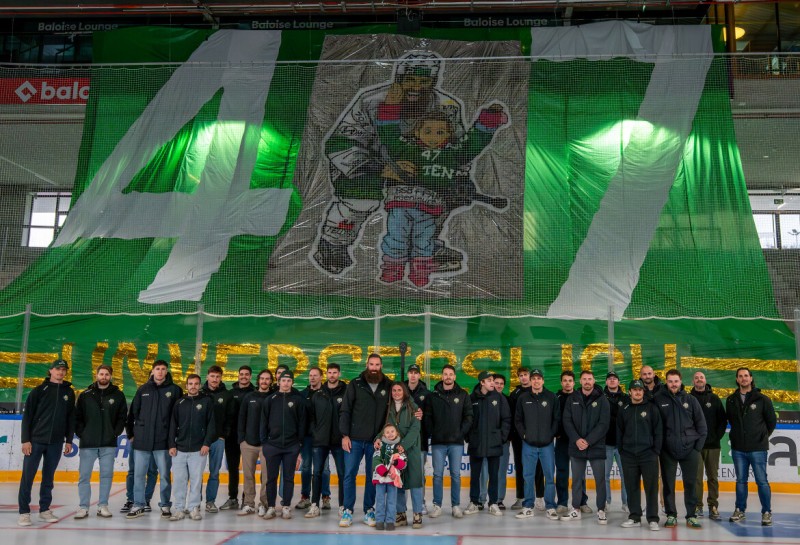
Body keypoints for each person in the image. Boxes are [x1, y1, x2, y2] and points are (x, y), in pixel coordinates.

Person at [315, 50, 465, 275]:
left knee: (439, 195)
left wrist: (458, 176)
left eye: (424, 81)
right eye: (410, 80)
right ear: (399, 79)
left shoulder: (446, 106)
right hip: (370, 165)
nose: (416, 87)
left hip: (418, 168)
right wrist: (380, 169)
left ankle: (424, 248)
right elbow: (341, 143)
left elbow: (457, 147)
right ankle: (333, 244)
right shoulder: (370, 102)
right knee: (360, 197)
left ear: (433, 82)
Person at [375, 97, 508, 288]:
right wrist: (390, 106)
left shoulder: (453, 154)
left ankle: (420, 270)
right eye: (427, 131)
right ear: (417, 131)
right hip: (400, 204)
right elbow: (388, 134)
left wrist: (490, 117)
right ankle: (392, 269)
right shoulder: (406, 149)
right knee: (395, 237)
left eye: (439, 132)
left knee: (424, 240)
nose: (432, 136)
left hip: (429, 208)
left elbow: (474, 142)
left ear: (448, 134)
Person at [17, 358, 76, 527]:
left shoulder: (69, 393)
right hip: (35, 441)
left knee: (48, 478)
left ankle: (44, 509)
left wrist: (69, 440)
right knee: (27, 477)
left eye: (63, 369)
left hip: (56, 443)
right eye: (57, 369)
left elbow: (71, 418)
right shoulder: (38, 390)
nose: (60, 372)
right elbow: (27, 417)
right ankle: (24, 512)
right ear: (50, 371)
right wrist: (26, 440)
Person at [338, 353, 393, 527]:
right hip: (353, 440)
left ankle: (369, 509)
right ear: (367, 365)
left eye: (377, 364)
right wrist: (345, 435)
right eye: (371, 364)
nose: (374, 368)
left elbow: (395, 408)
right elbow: (345, 410)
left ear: (381, 366)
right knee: (349, 475)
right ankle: (347, 510)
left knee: (372, 476)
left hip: (375, 442)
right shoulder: (355, 384)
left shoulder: (388, 385)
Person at [126, 359, 183, 519]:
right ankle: (138, 504)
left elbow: (178, 416)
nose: (160, 371)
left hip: (163, 442)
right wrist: (131, 434)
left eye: (163, 369)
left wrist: (174, 439)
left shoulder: (175, 390)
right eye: (157, 368)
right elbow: (132, 414)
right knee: (138, 474)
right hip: (142, 442)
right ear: (152, 371)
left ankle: (165, 505)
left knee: (164, 475)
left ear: (167, 371)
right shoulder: (143, 389)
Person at [654, 369, 707, 529]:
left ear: (681, 381)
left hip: (690, 450)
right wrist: (660, 447)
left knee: (690, 483)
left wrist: (697, 449)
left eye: (676, 381)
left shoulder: (690, 400)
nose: (673, 384)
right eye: (670, 381)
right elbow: (655, 426)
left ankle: (691, 515)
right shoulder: (658, 400)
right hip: (667, 450)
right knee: (668, 484)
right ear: (666, 382)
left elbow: (702, 426)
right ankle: (671, 514)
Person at [74, 364, 127, 519]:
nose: (104, 377)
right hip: (88, 444)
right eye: (101, 374)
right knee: (84, 476)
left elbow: (122, 417)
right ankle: (83, 507)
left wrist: (114, 433)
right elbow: (78, 417)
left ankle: (102, 505)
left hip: (108, 444)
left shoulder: (118, 395)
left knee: (106, 475)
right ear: (96, 375)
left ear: (110, 376)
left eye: (106, 374)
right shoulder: (86, 395)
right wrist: (82, 434)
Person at [726, 367, 777, 526]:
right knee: (741, 480)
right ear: (737, 379)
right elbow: (731, 421)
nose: (743, 378)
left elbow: (771, 422)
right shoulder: (731, 400)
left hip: (758, 448)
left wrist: (761, 437)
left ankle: (767, 512)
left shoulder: (762, 399)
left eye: (746, 376)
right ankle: (740, 510)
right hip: (738, 449)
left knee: (762, 481)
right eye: (740, 376)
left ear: (751, 378)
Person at [423, 363, 473, 519]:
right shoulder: (433, 396)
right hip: (438, 442)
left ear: (454, 377)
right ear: (442, 376)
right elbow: (428, 417)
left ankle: (455, 505)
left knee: (456, 475)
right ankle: (437, 505)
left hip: (456, 443)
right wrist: (432, 431)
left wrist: (460, 432)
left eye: (451, 374)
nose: (448, 377)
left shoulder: (463, 395)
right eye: (445, 374)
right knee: (437, 475)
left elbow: (469, 417)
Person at [562, 369, 610, 524]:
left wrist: (588, 441)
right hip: (577, 446)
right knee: (576, 479)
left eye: (590, 378)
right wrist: (577, 439)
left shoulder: (602, 399)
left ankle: (601, 509)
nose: (587, 381)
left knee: (600, 480)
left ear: (594, 380)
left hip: (596, 446)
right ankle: (575, 509)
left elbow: (604, 424)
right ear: (580, 381)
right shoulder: (572, 398)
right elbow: (567, 421)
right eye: (584, 379)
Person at [513, 368, 560, 521]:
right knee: (527, 476)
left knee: (549, 477)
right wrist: (524, 435)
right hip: (529, 445)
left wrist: (550, 434)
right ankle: (528, 506)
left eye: (539, 378)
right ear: (531, 381)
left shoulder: (552, 397)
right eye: (534, 378)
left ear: (543, 381)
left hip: (547, 445)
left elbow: (556, 419)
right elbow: (518, 419)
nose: (536, 381)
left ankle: (551, 506)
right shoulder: (523, 398)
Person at [168, 374, 216, 521]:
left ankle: (194, 508)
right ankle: (179, 509)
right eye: (190, 384)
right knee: (179, 480)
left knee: (196, 480)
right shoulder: (179, 402)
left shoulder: (206, 402)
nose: (193, 386)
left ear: (200, 385)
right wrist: (171, 444)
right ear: (186, 385)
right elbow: (172, 425)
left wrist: (206, 443)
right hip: (179, 450)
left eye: (196, 384)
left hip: (198, 450)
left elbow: (211, 425)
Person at [617, 380, 663, 531]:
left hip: (648, 455)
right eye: (634, 390)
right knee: (632, 487)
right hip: (628, 456)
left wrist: (655, 451)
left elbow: (658, 431)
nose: (638, 392)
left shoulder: (652, 408)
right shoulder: (624, 409)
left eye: (640, 390)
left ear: (643, 392)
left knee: (651, 487)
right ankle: (635, 517)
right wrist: (622, 450)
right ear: (629, 392)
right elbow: (619, 431)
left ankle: (653, 519)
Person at [261, 370, 306, 520]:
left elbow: (302, 423)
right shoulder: (270, 399)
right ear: (278, 382)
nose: (286, 383)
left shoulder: (298, 400)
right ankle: (272, 507)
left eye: (289, 381)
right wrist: (265, 443)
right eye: (283, 380)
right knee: (271, 478)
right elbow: (263, 423)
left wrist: (299, 443)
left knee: (288, 477)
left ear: (292, 382)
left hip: (291, 446)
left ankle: (286, 506)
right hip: (272, 446)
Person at [464, 371, 511, 516]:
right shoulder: (472, 399)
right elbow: (466, 419)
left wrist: (500, 437)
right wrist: (470, 437)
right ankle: (474, 502)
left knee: (494, 475)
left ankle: (493, 503)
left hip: (494, 444)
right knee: (475, 475)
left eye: (493, 380)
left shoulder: (499, 398)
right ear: (482, 382)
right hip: (476, 444)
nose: (493, 383)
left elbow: (506, 419)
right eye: (489, 380)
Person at [305, 363, 347, 518]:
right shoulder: (318, 394)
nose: (332, 375)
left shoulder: (346, 393)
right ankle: (314, 505)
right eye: (330, 372)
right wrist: (315, 433)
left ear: (339, 374)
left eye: (335, 372)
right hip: (320, 441)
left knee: (342, 474)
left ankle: (343, 506)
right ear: (326, 375)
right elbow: (311, 417)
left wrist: (345, 434)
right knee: (316, 473)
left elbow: (349, 415)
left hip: (339, 441)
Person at [383, 381, 424, 529]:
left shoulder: (413, 407)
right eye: (394, 390)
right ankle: (401, 513)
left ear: (404, 391)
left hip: (411, 450)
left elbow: (415, 429)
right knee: (398, 482)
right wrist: (378, 439)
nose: (396, 393)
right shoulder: (388, 408)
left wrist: (403, 445)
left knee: (415, 482)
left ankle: (417, 514)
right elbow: (385, 428)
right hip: (396, 451)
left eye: (399, 390)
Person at [689, 371, 727, 520]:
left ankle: (713, 506)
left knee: (713, 477)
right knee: (696, 478)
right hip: (695, 447)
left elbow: (722, 421)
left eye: (702, 377)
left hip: (713, 446)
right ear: (693, 381)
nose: (699, 380)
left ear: (705, 380)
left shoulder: (714, 398)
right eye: (696, 378)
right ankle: (698, 506)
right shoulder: (688, 399)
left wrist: (716, 437)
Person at [237, 369, 272, 516]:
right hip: (248, 443)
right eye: (262, 378)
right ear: (258, 380)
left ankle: (263, 504)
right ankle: (249, 504)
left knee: (266, 476)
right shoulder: (249, 397)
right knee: (248, 476)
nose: (264, 381)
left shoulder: (274, 397)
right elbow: (242, 418)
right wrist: (242, 440)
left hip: (267, 444)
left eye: (267, 379)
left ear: (271, 381)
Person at [221, 364, 255, 510]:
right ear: (238, 375)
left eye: (247, 374)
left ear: (251, 376)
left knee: (249, 470)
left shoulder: (254, 393)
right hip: (232, 438)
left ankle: (246, 499)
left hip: (250, 438)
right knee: (233, 468)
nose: (244, 376)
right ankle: (233, 497)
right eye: (242, 374)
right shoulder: (230, 393)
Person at [554, 370, 589, 515]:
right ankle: (562, 502)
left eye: (570, 380)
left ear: (574, 383)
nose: (567, 383)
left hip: (577, 441)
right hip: (562, 441)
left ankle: (582, 502)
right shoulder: (555, 398)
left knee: (579, 474)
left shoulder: (580, 397)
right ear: (561, 382)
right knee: (562, 471)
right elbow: (552, 418)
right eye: (565, 380)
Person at [200, 365, 234, 513]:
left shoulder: (226, 395)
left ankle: (210, 501)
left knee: (214, 472)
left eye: (218, 377)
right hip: (200, 440)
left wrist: (223, 435)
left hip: (217, 440)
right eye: (212, 376)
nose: (215, 379)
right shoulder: (200, 393)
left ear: (221, 378)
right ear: (207, 377)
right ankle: (194, 502)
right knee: (196, 473)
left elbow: (230, 417)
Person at [297, 367, 331, 510]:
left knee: (324, 469)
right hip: (306, 438)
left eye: (315, 375)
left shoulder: (327, 394)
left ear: (321, 377)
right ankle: (305, 497)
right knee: (306, 468)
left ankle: (325, 497)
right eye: (310, 375)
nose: (312, 378)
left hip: (323, 438)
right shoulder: (302, 394)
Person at [401, 363, 430, 519]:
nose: (413, 375)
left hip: (420, 441)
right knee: (401, 472)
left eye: (415, 373)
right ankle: (402, 506)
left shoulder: (426, 394)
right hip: (402, 441)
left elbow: (430, 417)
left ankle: (421, 502)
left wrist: (423, 416)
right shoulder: (400, 391)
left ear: (419, 375)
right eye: (410, 372)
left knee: (418, 473)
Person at [479, 373, 511, 510]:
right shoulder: (483, 398)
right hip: (485, 442)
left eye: (500, 383)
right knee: (484, 471)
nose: (497, 385)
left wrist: (502, 437)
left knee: (500, 471)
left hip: (501, 443)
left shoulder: (506, 400)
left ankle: (498, 499)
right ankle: (481, 499)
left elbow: (507, 420)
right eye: (495, 382)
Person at [371, 423, 408, 531]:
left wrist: (397, 463)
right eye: (387, 432)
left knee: (392, 500)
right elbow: (376, 459)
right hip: (380, 478)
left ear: (396, 433)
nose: (390, 434)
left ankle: (390, 521)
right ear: (384, 434)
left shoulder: (399, 446)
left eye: (392, 431)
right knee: (380, 500)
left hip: (393, 479)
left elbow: (404, 462)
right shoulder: (380, 445)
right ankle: (379, 521)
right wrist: (383, 471)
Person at [603, 371, 629, 513]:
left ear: (619, 382)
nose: (612, 381)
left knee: (625, 475)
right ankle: (606, 502)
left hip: (622, 444)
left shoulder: (626, 398)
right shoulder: (600, 397)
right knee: (605, 476)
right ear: (606, 382)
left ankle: (626, 503)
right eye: (610, 379)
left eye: (615, 379)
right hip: (606, 443)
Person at [508, 367, 531, 510]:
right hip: (518, 437)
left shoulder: (538, 390)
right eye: (520, 375)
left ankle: (539, 497)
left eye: (525, 375)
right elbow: (511, 416)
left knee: (538, 467)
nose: (523, 377)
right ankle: (520, 497)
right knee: (520, 466)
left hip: (536, 437)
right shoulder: (515, 393)